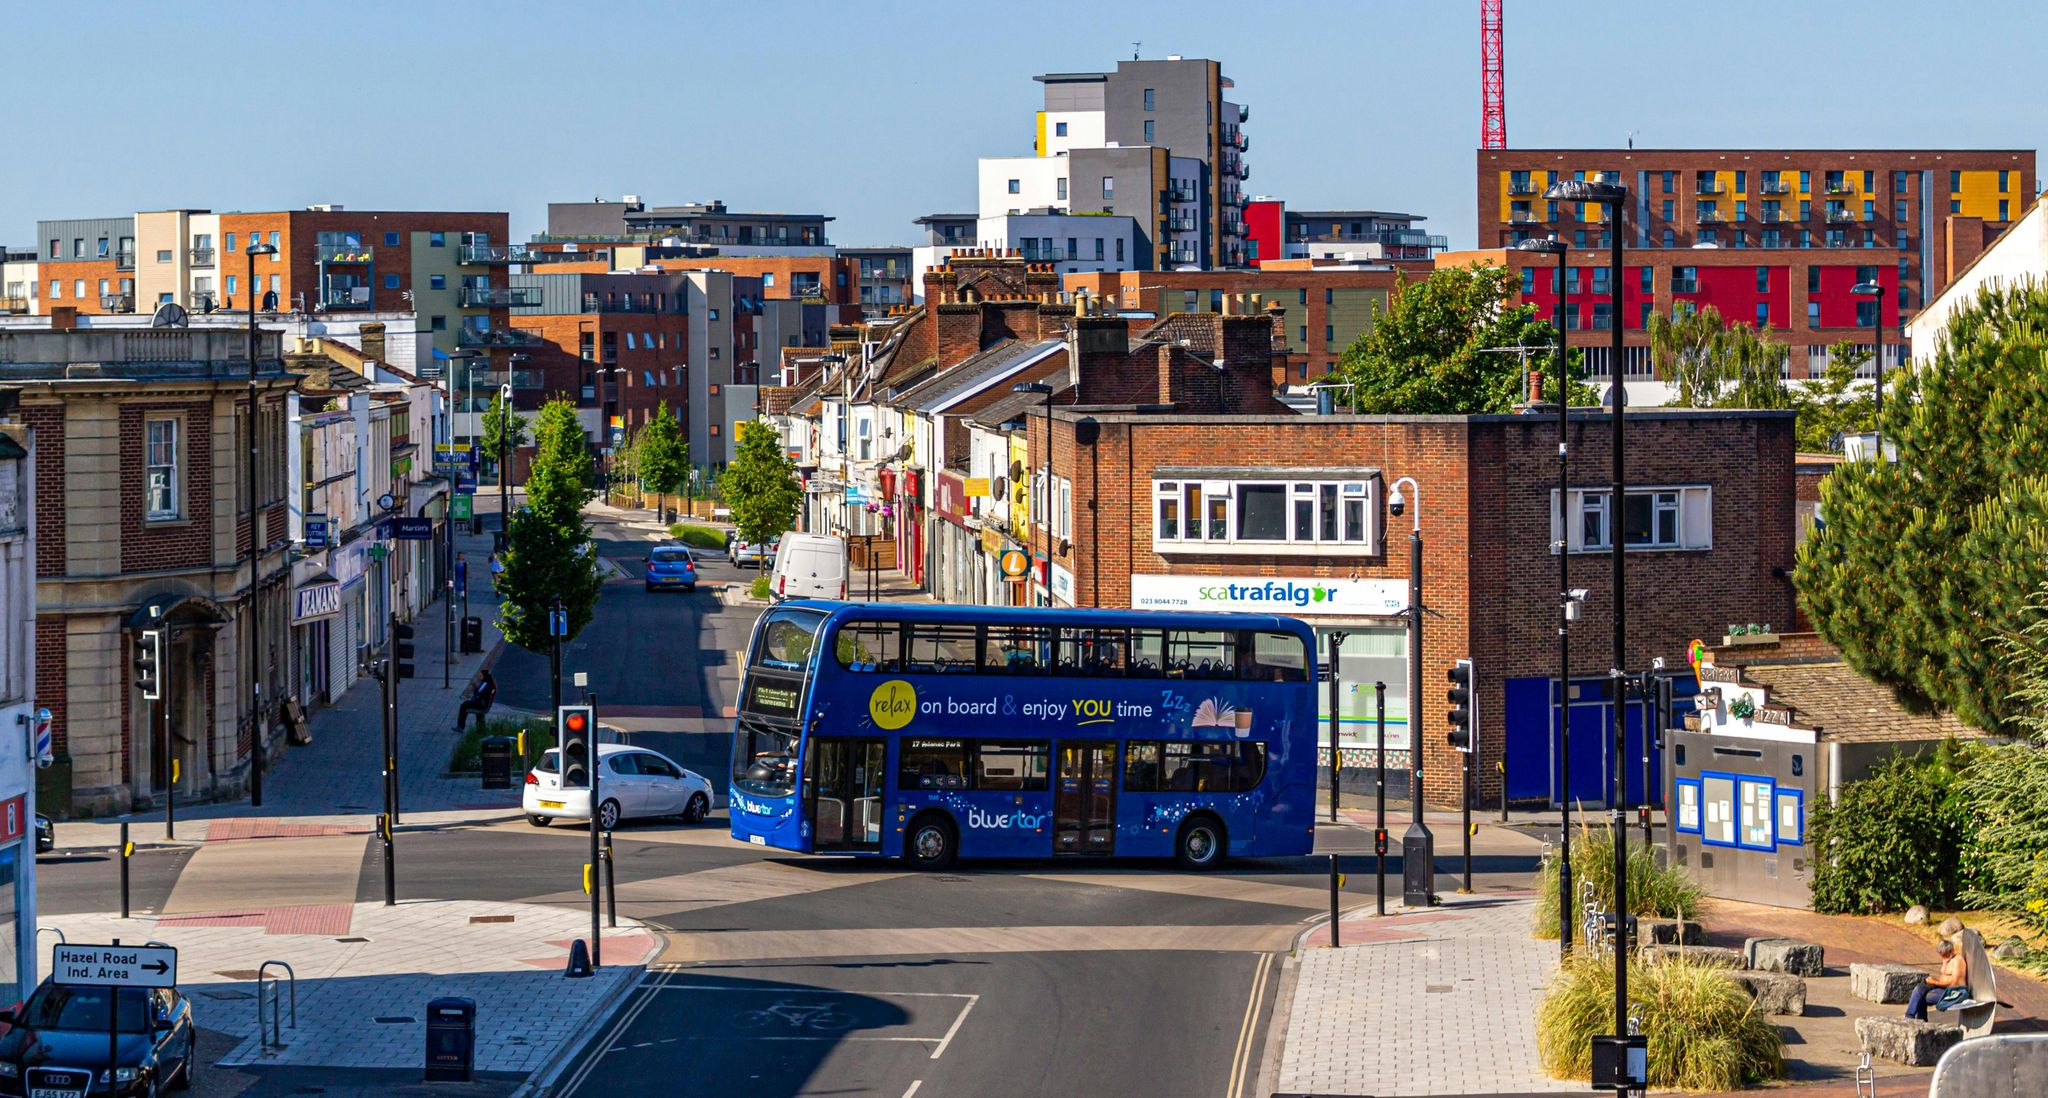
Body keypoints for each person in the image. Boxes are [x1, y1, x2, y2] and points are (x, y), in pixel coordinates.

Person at [1905, 936, 1969, 1021]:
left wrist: (1935, 982)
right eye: (1942, 956)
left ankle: (1919, 1020)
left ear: (1951, 951)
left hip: (1953, 991)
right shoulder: (1946, 959)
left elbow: (1954, 982)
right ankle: (1909, 1016)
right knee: (1919, 989)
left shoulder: (1957, 961)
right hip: (1941, 987)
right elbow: (1944, 976)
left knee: (1923, 997)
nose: (1945, 958)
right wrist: (1932, 981)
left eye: (1946, 955)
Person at [456, 668, 497, 733]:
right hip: (483, 704)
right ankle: (481, 729)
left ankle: (461, 726)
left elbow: (478, 693)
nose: (478, 676)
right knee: (467, 705)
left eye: (480, 675)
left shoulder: (485, 684)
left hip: (481, 704)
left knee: (463, 706)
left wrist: (474, 686)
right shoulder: (487, 683)